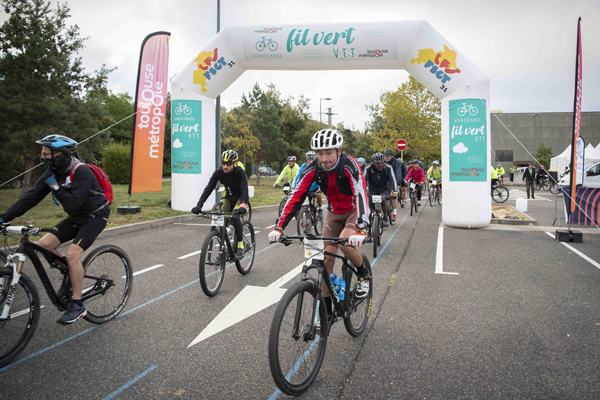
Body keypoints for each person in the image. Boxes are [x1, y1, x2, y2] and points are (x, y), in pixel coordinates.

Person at [0, 135, 111, 325]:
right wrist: (4, 218)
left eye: (46, 153)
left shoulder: (81, 171)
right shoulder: (51, 173)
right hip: (76, 217)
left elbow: (74, 202)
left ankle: (77, 304)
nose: (43, 157)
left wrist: (55, 186)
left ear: (61, 154)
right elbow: (31, 198)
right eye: (42, 153)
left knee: (73, 254)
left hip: (95, 217)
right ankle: (70, 274)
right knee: (44, 244)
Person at [268, 129, 371, 316]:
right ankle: (326, 313)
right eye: (320, 154)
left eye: (328, 153)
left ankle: (363, 275)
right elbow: (296, 196)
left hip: (353, 211)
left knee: (345, 242)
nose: (324, 159)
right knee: (326, 260)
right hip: (333, 213)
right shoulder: (313, 168)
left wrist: (362, 227)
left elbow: (360, 192)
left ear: (339, 151)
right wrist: (279, 226)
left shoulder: (349, 164)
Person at [191, 150, 249, 259]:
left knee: (235, 216)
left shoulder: (240, 172)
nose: (225, 166)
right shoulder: (218, 172)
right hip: (228, 197)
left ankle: (240, 245)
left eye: (228, 164)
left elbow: (244, 188)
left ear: (235, 163)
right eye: (223, 163)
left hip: (240, 198)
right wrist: (199, 205)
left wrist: (243, 205)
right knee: (221, 219)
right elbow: (208, 188)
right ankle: (229, 245)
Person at [364, 152, 397, 237]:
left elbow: (393, 179)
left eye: (382, 163)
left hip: (384, 189)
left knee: (383, 200)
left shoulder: (388, 168)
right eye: (378, 163)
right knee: (369, 211)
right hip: (372, 190)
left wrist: (395, 191)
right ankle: (369, 232)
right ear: (373, 163)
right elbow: (363, 181)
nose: (380, 165)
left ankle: (385, 217)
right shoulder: (368, 168)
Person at [292, 150, 323, 219]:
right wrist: (293, 187)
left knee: (318, 194)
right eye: (309, 159)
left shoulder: (319, 165)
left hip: (316, 187)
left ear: (315, 158)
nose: (310, 161)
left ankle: (320, 209)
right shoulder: (304, 166)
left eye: (312, 159)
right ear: (306, 159)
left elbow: (323, 178)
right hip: (306, 188)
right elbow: (297, 177)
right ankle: (307, 222)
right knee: (306, 206)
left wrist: (320, 188)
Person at [384, 149, 407, 218]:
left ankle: (394, 213)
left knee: (394, 196)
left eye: (388, 156)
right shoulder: (383, 161)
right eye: (385, 156)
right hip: (385, 180)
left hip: (394, 180)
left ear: (392, 156)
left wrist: (397, 183)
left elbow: (398, 172)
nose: (386, 158)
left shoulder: (396, 162)